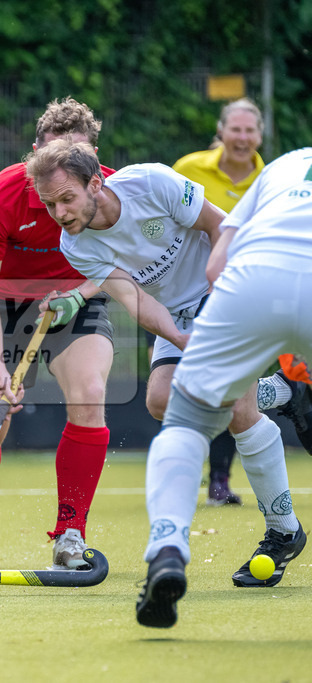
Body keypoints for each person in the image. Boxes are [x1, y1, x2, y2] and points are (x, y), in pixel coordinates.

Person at [23, 140, 307, 627]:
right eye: (50, 205)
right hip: (178, 314)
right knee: (161, 400)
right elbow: (135, 298)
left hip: (228, 285)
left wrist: (220, 310)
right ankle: (282, 393)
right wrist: (180, 336)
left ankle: (283, 530)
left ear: (96, 183)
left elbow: (219, 226)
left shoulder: (151, 182)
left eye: (67, 198)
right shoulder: (76, 245)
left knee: (236, 408)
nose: (60, 213)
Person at [132, 147, 312, 627]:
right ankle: (287, 391)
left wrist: (222, 322)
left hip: (243, 289)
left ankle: (169, 550)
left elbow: (220, 250)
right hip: (206, 303)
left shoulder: (281, 166)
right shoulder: (81, 224)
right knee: (166, 400)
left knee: (195, 416)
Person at [0, 97, 114, 571]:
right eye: (52, 156)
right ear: (35, 154)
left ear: (92, 161)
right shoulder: (0, 197)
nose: (62, 170)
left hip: (77, 299)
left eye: (75, 157)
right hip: (3, 307)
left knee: (89, 393)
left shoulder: (110, 190)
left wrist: (78, 296)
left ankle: (70, 532)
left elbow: (119, 262)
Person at [172, 97, 265, 506]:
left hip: (244, 296)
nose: (242, 138)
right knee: (171, 388)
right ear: (221, 131)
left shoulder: (270, 178)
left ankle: (220, 479)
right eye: (236, 129)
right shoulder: (187, 169)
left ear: (260, 134)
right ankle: (183, 464)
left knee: (230, 383)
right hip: (183, 293)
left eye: (250, 130)